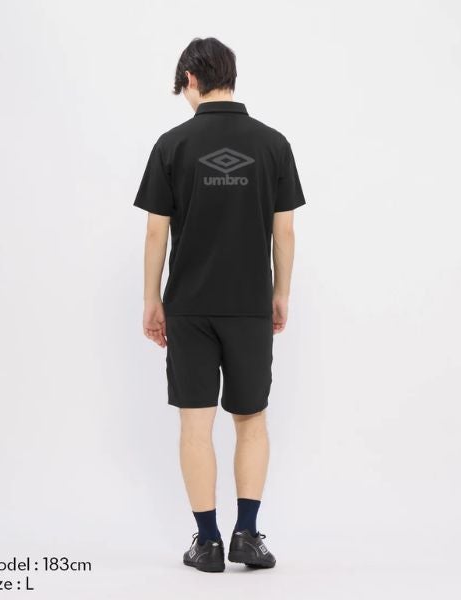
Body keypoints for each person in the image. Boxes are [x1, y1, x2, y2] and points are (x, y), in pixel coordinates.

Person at [134, 37, 305, 573]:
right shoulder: (273, 144)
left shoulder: (172, 145)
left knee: (196, 424)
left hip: (189, 307)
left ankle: (207, 543)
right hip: (250, 305)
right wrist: (280, 294)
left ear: (191, 79)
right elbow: (285, 230)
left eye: (182, 88)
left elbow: (156, 232)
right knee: (250, 419)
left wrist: (152, 300)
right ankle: (247, 536)